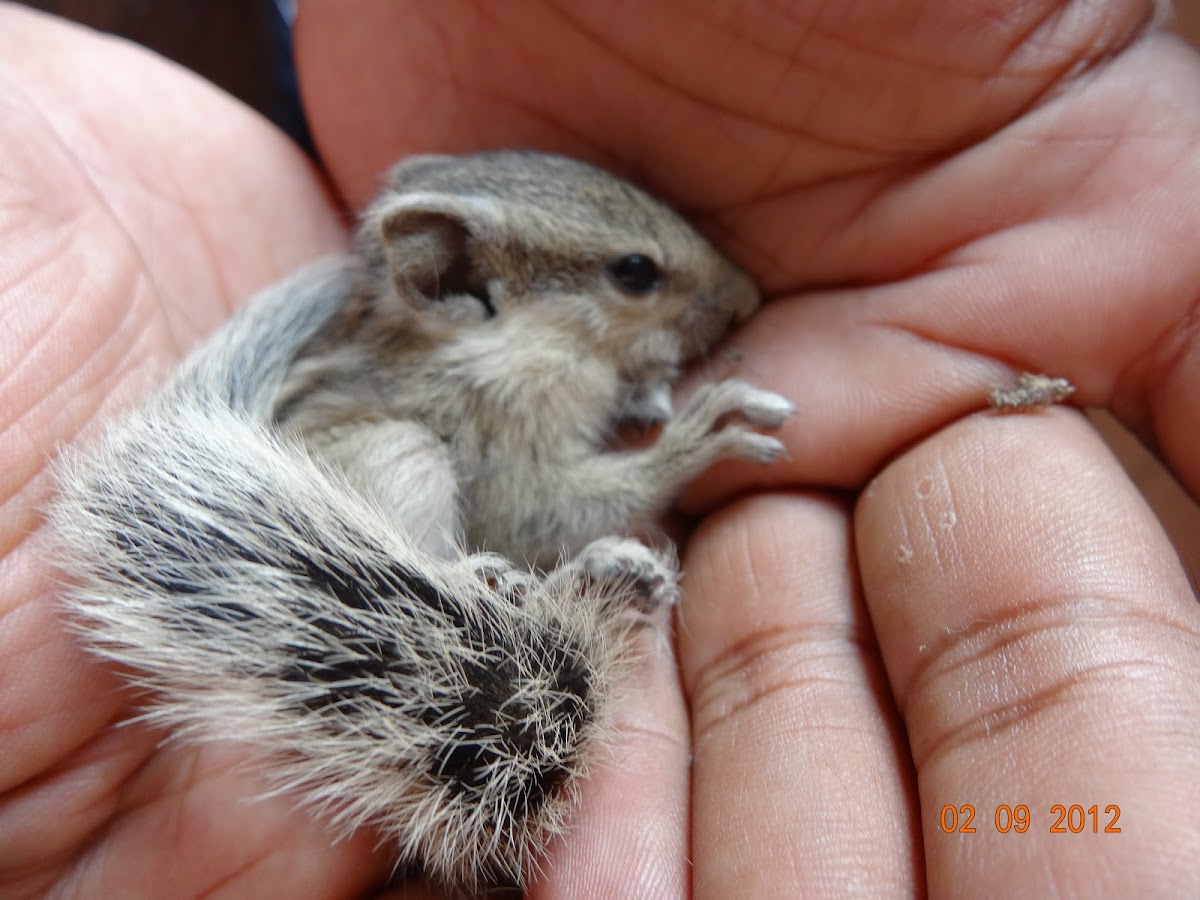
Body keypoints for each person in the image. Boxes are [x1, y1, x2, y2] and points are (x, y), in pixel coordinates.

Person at [2, 1, 1197, 896]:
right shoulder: (470, 387)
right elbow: (522, 511)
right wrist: (671, 458)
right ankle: (445, 598)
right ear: (463, 286)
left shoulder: (512, 352)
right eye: (636, 281)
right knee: (415, 476)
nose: (694, 301)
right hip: (400, 505)